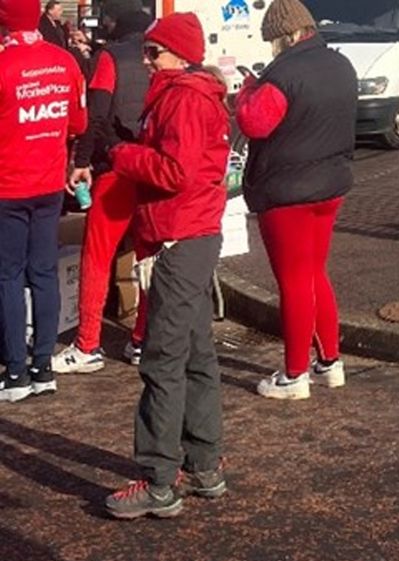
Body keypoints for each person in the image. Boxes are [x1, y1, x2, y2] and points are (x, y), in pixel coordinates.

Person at [103, 11, 231, 519]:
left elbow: (174, 171)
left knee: (164, 358)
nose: (147, 60)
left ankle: (159, 478)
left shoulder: (182, 98)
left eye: (154, 52)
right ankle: (203, 464)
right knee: (197, 353)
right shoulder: (195, 94)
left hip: (181, 234)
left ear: (177, 54)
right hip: (194, 232)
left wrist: (126, 156)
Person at [235, 0, 356, 400]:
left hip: (287, 191)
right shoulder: (341, 65)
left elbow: (254, 122)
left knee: (293, 282)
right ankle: (330, 362)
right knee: (315, 272)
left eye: (272, 40)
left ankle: (294, 374)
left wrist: (246, 91)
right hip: (331, 184)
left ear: (284, 36)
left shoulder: (283, 74)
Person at [53, 0, 152, 374]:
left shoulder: (109, 57)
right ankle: (141, 338)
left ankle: (88, 343)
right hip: (152, 168)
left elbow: (96, 113)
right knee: (148, 256)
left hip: (116, 168)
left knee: (96, 256)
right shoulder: (159, 55)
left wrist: (81, 161)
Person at [0, 0, 87, 402]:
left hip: (8, 187)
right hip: (49, 184)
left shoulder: (3, 65)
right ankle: (43, 368)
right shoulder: (63, 61)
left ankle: (15, 373)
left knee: (9, 277)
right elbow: (79, 123)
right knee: (44, 273)